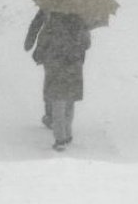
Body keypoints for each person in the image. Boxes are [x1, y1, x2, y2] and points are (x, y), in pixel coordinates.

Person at [24, 10, 90, 150]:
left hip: (55, 63)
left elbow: (43, 38)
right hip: (74, 64)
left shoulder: (52, 15)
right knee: (69, 99)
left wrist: (37, 53)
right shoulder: (79, 18)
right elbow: (87, 43)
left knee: (57, 99)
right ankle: (67, 133)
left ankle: (60, 138)